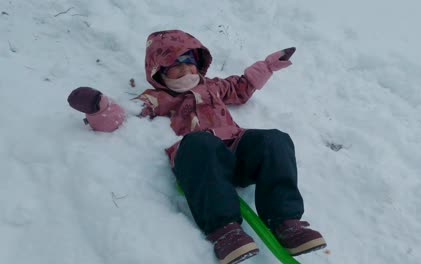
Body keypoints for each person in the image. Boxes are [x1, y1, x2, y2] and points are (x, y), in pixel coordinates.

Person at [67, 29, 326, 264]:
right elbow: (126, 115)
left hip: (235, 151)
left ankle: (287, 222)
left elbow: (241, 87)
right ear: (159, 72)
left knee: (274, 140)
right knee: (200, 142)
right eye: (176, 68)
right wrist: (99, 107)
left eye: (190, 65)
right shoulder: (157, 97)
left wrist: (269, 65)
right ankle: (224, 230)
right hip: (201, 160)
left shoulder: (212, 86)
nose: (186, 72)